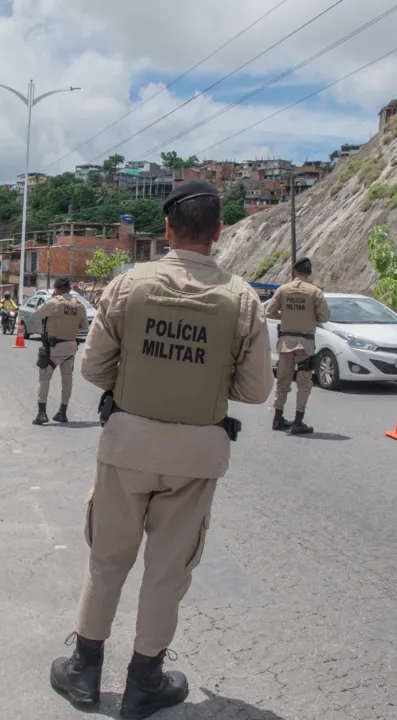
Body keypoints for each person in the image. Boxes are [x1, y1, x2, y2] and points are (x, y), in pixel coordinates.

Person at [48, 180, 273, 718]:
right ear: (218, 233)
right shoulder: (243, 299)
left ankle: (84, 670)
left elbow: (93, 368)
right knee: (168, 570)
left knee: (108, 559)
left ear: (167, 229)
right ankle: (145, 679)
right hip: (196, 456)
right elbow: (257, 390)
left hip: (127, 446)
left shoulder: (128, 286)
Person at [265, 256, 330, 434]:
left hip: (286, 343)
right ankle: (298, 421)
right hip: (305, 345)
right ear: (309, 273)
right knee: (304, 383)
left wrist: (284, 316)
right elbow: (324, 317)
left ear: (295, 271)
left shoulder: (283, 290)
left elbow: (268, 312)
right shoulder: (315, 292)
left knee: (283, 382)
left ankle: (277, 419)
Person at [32, 278, 89, 425]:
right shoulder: (79, 305)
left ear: (56, 289)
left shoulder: (54, 302)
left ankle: (42, 413)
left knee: (44, 379)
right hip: (70, 346)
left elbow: (38, 314)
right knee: (67, 379)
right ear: (69, 289)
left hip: (53, 347)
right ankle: (62, 413)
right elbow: (84, 327)